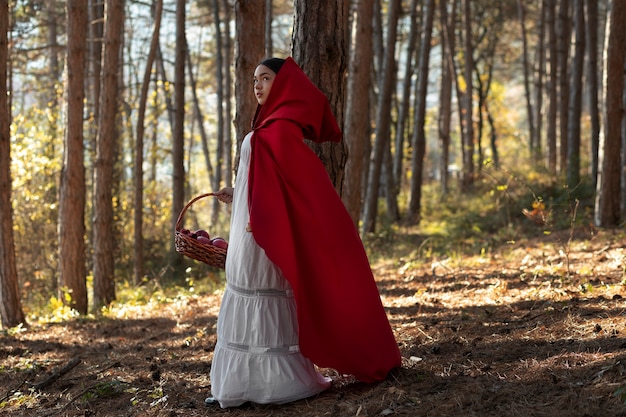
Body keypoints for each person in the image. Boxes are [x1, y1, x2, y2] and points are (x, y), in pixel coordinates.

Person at [206, 57, 401, 408]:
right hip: (252, 230)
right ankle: (239, 385)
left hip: (259, 234)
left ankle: (273, 385)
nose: (258, 85)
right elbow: (267, 183)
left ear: (283, 85)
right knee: (248, 295)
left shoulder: (277, 131)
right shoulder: (271, 129)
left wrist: (261, 215)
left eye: (266, 78)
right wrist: (236, 194)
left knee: (261, 297)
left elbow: (287, 191)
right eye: (255, 80)